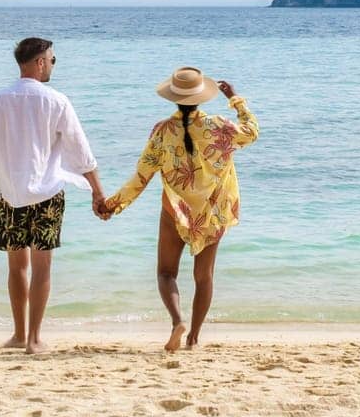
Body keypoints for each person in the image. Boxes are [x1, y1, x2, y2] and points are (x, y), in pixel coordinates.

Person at [99, 66, 258, 352]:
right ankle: (193, 338)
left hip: (175, 211)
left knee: (166, 274)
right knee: (204, 277)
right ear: (202, 97)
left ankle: (176, 321)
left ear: (173, 98)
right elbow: (252, 131)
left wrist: (112, 204)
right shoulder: (220, 126)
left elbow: (141, 178)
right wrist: (235, 99)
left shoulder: (162, 131)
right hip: (211, 213)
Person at [0, 36, 107, 355]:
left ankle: (19, 335)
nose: (53, 66)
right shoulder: (56, 101)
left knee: (16, 267)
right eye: (53, 60)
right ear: (41, 62)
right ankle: (34, 340)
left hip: (7, 197)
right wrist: (98, 194)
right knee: (42, 267)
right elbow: (82, 153)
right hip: (47, 195)